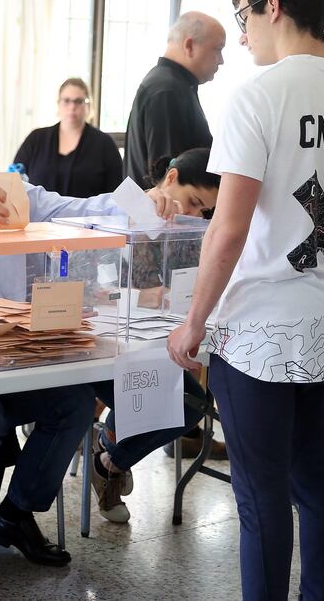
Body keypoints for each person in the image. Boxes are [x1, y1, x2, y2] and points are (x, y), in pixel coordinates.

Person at [167, 0, 324, 600]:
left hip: (260, 333)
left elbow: (230, 229)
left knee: (260, 496)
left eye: (243, 17)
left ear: (273, 5)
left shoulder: (258, 97)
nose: (239, 36)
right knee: (315, 479)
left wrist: (194, 322)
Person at [0, 105, 180, 590]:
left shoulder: (10, 194)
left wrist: (143, 203)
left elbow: (79, 208)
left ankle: (16, 511)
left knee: (75, 403)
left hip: (2, 356)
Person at [88, 147, 225, 524]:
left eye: (204, 213)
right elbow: (88, 290)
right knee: (176, 400)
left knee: (191, 405)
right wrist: (138, 296)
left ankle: (108, 459)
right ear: (171, 178)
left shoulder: (184, 233)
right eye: (195, 202)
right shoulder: (121, 214)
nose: (195, 215)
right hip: (106, 344)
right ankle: (110, 459)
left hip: (155, 343)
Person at [123, 11, 225, 187]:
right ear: (189, 46)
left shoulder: (173, 85)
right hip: (163, 212)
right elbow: (171, 180)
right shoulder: (167, 91)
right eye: (217, 49)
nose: (221, 60)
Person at [12, 77, 123, 197]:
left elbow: (116, 194)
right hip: (37, 216)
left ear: (88, 106)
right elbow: (15, 181)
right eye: (66, 101)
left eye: (78, 101)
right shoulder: (36, 139)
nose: (72, 107)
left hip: (89, 216)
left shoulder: (104, 144)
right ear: (58, 103)